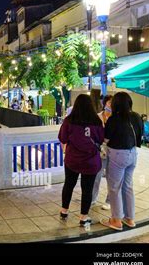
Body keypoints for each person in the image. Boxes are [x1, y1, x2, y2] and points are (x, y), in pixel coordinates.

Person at [58, 94, 104, 226]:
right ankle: (83, 217)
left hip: (73, 160)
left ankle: (64, 211)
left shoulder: (69, 121)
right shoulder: (96, 121)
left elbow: (63, 138)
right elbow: (100, 140)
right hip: (91, 161)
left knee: (69, 184)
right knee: (87, 189)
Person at [101, 92, 143, 231]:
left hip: (118, 155)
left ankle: (116, 220)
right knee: (128, 186)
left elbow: (106, 139)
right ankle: (130, 219)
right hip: (133, 154)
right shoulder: (136, 116)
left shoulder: (114, 119)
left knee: (114, 188)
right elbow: (139, 136)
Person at [92, 95, 113, 210]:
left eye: (112, 103)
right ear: (105, 103)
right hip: (99, 150)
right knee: (96, 175)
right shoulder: (97, 117)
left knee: (112, 177)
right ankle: (93, 198)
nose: (110, 105)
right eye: (109, 103)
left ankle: (109, 201)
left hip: (113, 151)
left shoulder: (115, 119)